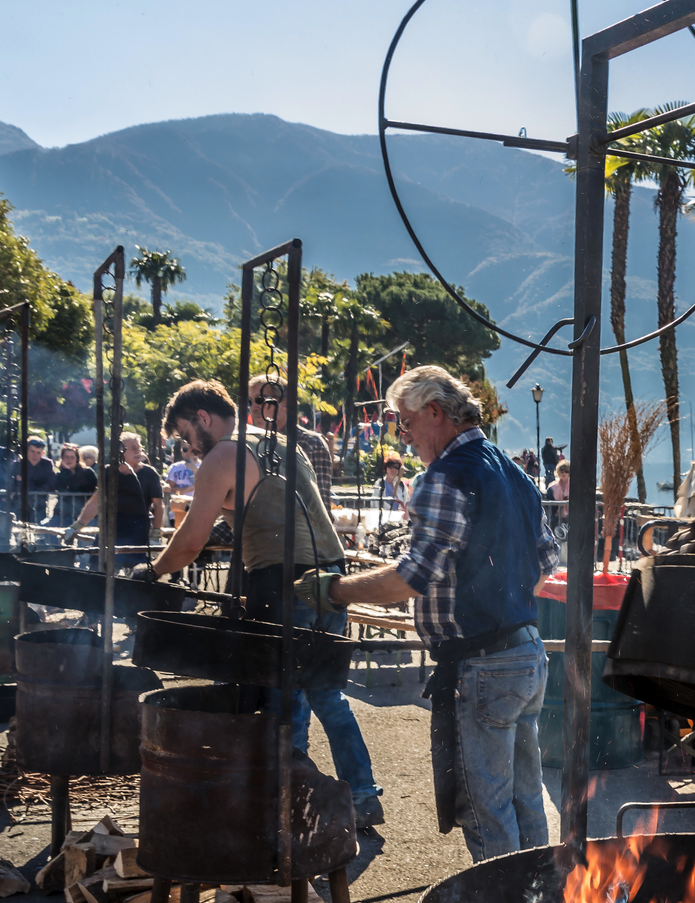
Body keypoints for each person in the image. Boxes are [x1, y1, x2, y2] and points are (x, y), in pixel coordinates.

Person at [314, 365, 556, 861]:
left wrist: (335, 590)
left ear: (435, 413)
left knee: (486, 809)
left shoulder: (444, 477)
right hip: (527, 655)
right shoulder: (514, 472)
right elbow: (546, 563)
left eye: (404, 424)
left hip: (483, 663)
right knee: (525, 797)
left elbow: (409, 579)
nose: (402, 438)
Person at [149, 380, 384, 828]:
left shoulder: (222, 456)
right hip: (328, 577)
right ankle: (364, 795)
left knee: (282, 695)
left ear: (203, 418)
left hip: (282, 582)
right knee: (325, 692)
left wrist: (152, 572)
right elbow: (263, 517)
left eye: (185, 434)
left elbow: (189, 543)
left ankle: (285, 801)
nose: (188, 447)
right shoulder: (277, 442)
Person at [66, 431, 165, 562]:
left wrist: (156, 534)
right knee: (99, 564)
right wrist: (77, 526)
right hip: (112, 525)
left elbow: (158, 505)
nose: (139, 451)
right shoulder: (108, 472)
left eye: (139, 447)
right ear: (120, 452)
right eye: (134, 448)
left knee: (135, 568)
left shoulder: (149, 473)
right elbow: (96, 502)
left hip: (138, 527)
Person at [248, 373, 339, 507]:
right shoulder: (252, 443)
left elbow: (320, 508)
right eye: (250, 401)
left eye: (261, 400)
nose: (253, 407)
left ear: (285, 404)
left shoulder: (310, 443)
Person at [12, 437, 56, 522]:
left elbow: (51, 483)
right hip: (19, 505)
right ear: (26, 451)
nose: (35, 455)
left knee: (38, 531)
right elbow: (12, 483)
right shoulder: (18, 464)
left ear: (42, 453)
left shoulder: (47, 464)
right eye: (32, 451)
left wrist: (26, 484)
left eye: (38, 452)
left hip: (39, 505)